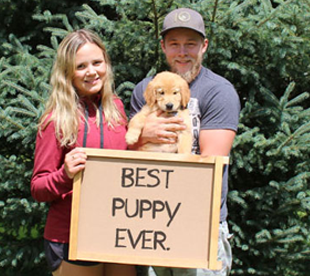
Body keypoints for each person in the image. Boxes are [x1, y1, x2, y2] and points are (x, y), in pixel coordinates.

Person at [129, 8, 241, 276]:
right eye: (174, 44)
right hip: (149, 219)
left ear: (204, 46)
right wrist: (145, 134)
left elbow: (211, 163)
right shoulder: (146, 88)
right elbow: (129, 151)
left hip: (200, 222)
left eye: (190, 44)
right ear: (163, 47)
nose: (182, 52)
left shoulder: (218, 91)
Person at [31, 29, 136, 276]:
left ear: (106, 65)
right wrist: (65, 174)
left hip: (118, 231)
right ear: (67, 72)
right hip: (71, 235)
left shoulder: (117, 109)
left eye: (97, 63)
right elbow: (38, 188)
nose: (91, 71)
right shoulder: (56, 119)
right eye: (81, 66)